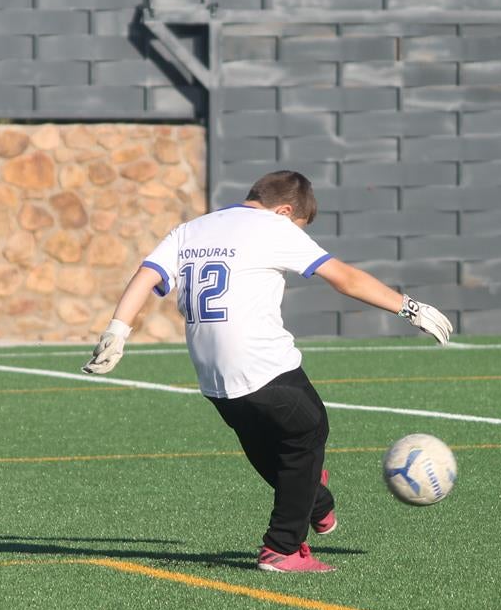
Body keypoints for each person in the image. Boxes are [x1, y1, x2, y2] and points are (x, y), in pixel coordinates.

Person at [81, 170, 452, 573]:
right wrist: (409, 307)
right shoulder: (274, 227)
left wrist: (118, 329)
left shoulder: (190, 230)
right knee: (308, 431)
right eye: (299, 226)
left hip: (213, 376)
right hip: (261, 363)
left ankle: (317, 501)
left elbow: (147, 274)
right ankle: (282, 548)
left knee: (267, 446)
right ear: (286, 210)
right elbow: (344, 278)